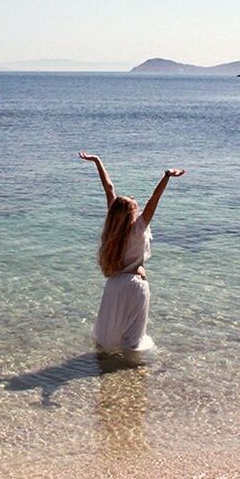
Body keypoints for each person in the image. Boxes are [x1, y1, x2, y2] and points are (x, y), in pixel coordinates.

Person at [78, 152, 185, 362]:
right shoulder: (139, 229)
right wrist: (166, 176)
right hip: (135, 285)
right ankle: (133, 378)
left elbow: (108, 189)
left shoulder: (112, 227)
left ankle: (106, 373)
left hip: (114, 286)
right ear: (132, 213)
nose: (138, 204)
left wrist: (97, 162)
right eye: (135, 206)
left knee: (109, 339)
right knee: (134, 341)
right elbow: (155, 198)